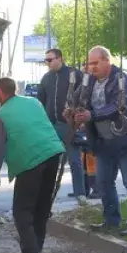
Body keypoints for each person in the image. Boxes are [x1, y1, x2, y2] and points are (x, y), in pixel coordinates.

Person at [0, 77, 66, 253]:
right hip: (53, 154)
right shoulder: (34, 102)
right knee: (42, 206)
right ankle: (36, 248)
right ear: (15, 89)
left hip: (30, 161)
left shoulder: (0, 115)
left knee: (23, 209)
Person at [70, 46, 127, 236]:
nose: (91, 67)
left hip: (126, 140)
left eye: (95, 63)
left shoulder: (123, 79)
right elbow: (77, 98)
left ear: (107, 61)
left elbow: (117, 106)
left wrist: (91, 115)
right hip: (103, 141)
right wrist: (72, 110)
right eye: (89, 63)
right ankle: (111, 221)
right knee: (104, 183)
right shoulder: (89, 80)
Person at [37, 48, 97, 199]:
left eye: (50, 60)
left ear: (60, 59)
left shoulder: (74, 74)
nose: (47, 63)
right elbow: (40, 101)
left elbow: (87, 95)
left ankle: (80, 192)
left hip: (70, 124)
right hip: (51, 125)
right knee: (50, 161)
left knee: (74, 160)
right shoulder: (46, 78)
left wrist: (82, 117)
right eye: (46, 61)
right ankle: (48, 194)